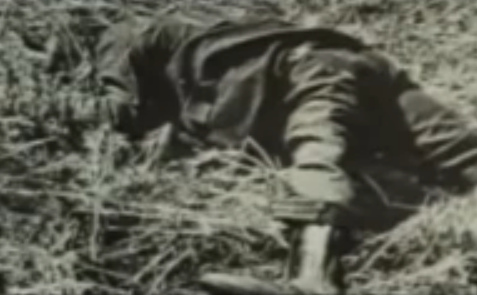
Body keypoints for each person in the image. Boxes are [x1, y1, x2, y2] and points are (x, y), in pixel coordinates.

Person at [95, 9, 477, 295]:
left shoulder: (128, 30)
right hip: (353, 61)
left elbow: (123, 110)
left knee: (318, 145)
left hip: (305, 69)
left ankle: (313, 277)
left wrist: (70, 105)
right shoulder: (216, 21)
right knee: (463, 153)